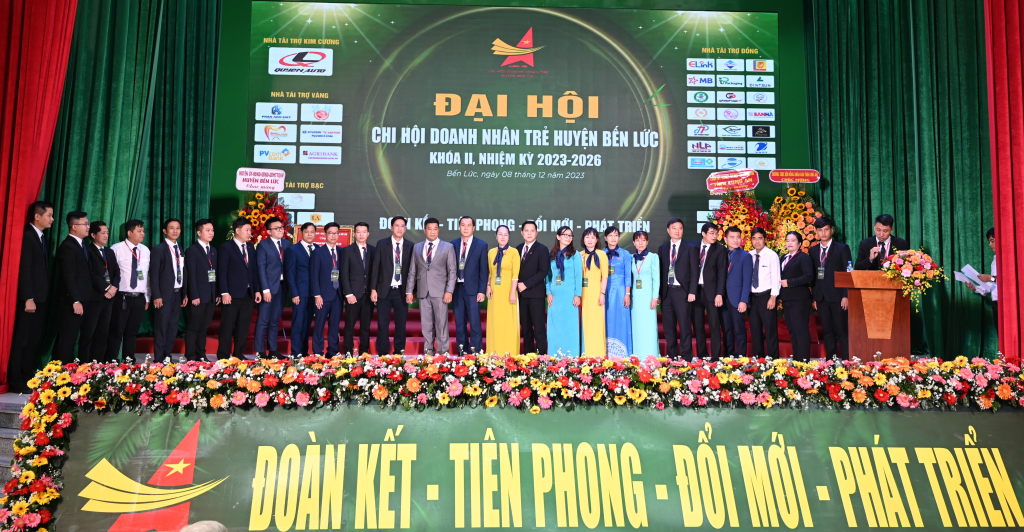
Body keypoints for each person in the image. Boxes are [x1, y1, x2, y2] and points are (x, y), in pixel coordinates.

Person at [10, 202, 54, 391]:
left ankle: (28, 377)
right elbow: (24, 269)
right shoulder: (28, 236)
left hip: (40, 298)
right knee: (22, 340)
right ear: (37, 216)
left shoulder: (41, 237)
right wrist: (28, 297)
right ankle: (15, 380)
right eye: (49, 215)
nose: (52, 219)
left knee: (33, 340)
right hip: (29, 299)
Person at [406, 218, 457, 355]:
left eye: (435, 229)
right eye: (429, 229)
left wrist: (449, 291)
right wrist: (409, 291)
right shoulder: (417, 247)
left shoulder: (447, 247)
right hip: (423, 291)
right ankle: (429, 352)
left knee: (442, 325)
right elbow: (412, 271)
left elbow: (452, 271)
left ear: (438, 230)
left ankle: (443, 354)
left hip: (440, 292)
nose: (432, 231)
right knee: (426, 325)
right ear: (425, 230)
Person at [107, 220, 151, 362]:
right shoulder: (116, 248)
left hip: (139, 297)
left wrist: (147, 297)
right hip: (121, 297)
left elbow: (147, 276)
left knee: (132, 332)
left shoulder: (145, 250)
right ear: (129, 232)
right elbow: (109, 273)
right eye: (139, 231)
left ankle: (129, 362)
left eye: (143, 231)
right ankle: (112, 362)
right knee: (116, 331)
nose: (143, 233)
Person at [217, 218, 261, 358]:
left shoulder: (251, 247)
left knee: (243, 326)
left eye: (250, 230)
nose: (249, 233)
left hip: (248, 294)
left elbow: (253, 271)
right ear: (237, 230)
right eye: (246, 230)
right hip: (231, 294)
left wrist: (257, 290)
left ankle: (238, 354)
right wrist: (224, 292)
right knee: (227, 326)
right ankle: (223, 355)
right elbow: (222, 271)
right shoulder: (226, 247)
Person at [52, 211, 93, 363]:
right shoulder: (68, 246)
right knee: (67, 338)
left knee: (81, 337)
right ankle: (60, 370)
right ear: (74, 226)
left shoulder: (82, 245)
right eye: (85, 224)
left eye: (88, 224)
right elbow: (68, 276)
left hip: (85, 299)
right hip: (73, 302)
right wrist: (75, 300)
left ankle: (78, 370)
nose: (88, 227)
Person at [371, 217, 415, 354]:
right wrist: (373, 289)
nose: (399, 228)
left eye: (402, 226)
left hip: (401, 291)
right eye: (397, 225)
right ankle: (383, 353)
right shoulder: (382, 244)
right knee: (382, 324)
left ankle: (398, 352)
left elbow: (413, 270)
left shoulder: (410, 245)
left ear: (405, 229)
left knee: (401, 324)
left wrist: (412, 291)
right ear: (391, 228)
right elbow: (376, 267)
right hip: (384, 290)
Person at [810, 217, 851, 359]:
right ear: (816, 232)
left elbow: (848, 272)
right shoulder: (813, 250)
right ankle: (830, 362)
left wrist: (846, 295)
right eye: (820, 230)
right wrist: (815, 298)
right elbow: (814, 275)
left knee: (842, 330)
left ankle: (847, 362)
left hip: (838, 297)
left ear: (832, 230)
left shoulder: (842, 248)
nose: (823, 233)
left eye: (826, 229)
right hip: (821, 298)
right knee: (827, 331)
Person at [658, 218, 698, 358]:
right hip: (667, 292)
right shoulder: (662, 248)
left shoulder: (691, 248)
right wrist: (659, 293)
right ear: (668, 230)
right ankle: (672, 357)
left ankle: (686, 358)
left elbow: (695, 272)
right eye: (674, 228)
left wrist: (692, 291)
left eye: (680, 228)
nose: (677, 231)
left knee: (685, 326)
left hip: (683, 292)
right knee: (669, 328)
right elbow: (661, 272)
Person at [150, 218, 188, 361]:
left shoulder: (180, 248)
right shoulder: (158, 249)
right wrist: (156, 295)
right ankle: (159, 358)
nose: (175, 231)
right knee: (161, 327)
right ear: (165, 231)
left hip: (177, 294)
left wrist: (184, 293)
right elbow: (153, 275)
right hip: (164, 295)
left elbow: (183, 272)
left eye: (178, 228)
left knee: (173, 327)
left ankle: (167, 355)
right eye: (171, 228)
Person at [80, 221, 119, 362]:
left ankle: (98, 366)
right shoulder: (87, 250)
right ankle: (84, 365)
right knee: (88, 334)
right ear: (93, 234)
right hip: (93, 299)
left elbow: (116, 273)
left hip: (108, 299)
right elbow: (89, 274)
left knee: (103, 334)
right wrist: (106, 287)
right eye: (102, 233)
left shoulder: (110, 252)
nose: (106, 235)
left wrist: (114, 287)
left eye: (107, 233)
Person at [450, 216, 488, 354]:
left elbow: (484, 270)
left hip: (473, 291)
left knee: (475, 325)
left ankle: (476, 354)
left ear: (474, 228)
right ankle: (462, 354)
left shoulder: (481, 245)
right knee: (460, 325)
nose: (465, 228)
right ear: (459, 227)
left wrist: (482, 290)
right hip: (457, 290)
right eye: (463, 225)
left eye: (468, 225)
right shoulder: (452, 244)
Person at [184, 219, 219, 361]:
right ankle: (190, 356)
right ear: (199, 233)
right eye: (208, 230)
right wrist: (194, 295)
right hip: (198, 296)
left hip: (210, 296)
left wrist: (216, 293)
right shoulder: (192, 251)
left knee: (204, 327)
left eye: (212, 230)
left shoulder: (213, 251)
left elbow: (215, 274)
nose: (211, 233)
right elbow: (190, 275)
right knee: (194, 327)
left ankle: (201, 355)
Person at [255, 217, 290, 358]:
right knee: (263, 320)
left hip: (282, 287)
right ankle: (260, 351)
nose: (280, 230)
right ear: (269, 231)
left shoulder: (287, 244)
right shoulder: (263, 246)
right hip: (269, 288)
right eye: (277, 228)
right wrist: (265, 289)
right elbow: (261, 268)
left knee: (275, 320)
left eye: (281, 227)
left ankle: (273, 350)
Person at [546, 226, 583, 355]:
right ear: (558, 237)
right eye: (565, 235)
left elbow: (578, 275)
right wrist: (548, 292)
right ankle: (554, 357)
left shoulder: (574, 254)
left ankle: (571, 357)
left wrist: (577, 294)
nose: (568, 237)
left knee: (570, 327)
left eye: (570, 235)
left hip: (570, 296)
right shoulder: (551, 255)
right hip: (555, 296)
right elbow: (548, 276)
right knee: (555, 327)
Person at [691, 223, 727, 358]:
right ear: (703, 234)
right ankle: (702, 356)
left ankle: (715, 357)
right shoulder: (693, 246)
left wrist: (719, 294)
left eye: (716, 233)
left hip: (712, 292)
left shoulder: (720, 249)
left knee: (714, 325)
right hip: (696, 291)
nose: (714, 236)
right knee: (698, 325)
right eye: (711, 233)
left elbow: (722, 273)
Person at [779, 231, 814, 361]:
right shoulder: (783, 257)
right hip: (787, 299)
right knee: (792, 331)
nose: (790, 243)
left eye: (793, 240)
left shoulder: (804, 257)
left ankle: (804, 362)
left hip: (800, 299)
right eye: (787, 240)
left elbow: (809, 276)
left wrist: (790, 282)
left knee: (801, 330)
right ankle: (797, 361)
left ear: (799, 243)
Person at [342, 222, 375, 354]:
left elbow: (376, 273)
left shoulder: (373, 250)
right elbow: (344, 274)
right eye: (359, 232)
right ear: (354, 234)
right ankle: (348, 351)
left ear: (368, 234)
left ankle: (364, 352)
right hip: (353, 295)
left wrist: (374, 290)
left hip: (368, 295)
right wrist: (348, 294)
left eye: (364, 232)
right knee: (349, 325)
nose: (361, 235)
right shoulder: (347, 250)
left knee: (366, 326)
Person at [516, 221, 549, 354]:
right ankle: (528, 357)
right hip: (522, 296)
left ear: (536, 233)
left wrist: (526, 284)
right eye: (526, 230)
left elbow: (543, 271)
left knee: (539, 328)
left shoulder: (542, 249)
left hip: (536, 295)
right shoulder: (518, 249)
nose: (529, 233)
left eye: (532, 231)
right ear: (522, 233)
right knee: (526, 329)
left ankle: (541, 358)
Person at [487, 225, 521, 355]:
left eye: (505, 234)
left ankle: (509, 355)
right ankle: (494, 354)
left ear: (509, 237)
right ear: (496, 236)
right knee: (495, 323)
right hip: (495, 293)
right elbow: (490, 273)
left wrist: (513, 292)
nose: (503, 237)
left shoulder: (514, 252)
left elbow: (515, 275)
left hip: (508, 292)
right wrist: (488, 286)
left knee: (508, 324)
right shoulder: (491, 252)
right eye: (500, 234)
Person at [311, 222, 344, 355]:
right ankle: (318, 352)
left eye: (336, 233)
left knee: (335, 325)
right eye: (330, 233)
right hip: (322, 295)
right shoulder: (318, 252)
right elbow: (314, 275)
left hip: (338, 294)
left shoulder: (342, 252)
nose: (333, 236)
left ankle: (333, 351)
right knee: (319, 324)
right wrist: (317, 295)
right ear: (325, 234)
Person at [748, 227, 781, 358]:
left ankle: (773, 361)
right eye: (754, 239)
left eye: (760, 238)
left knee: (770, 330)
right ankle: (758, 360)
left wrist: (773, 297)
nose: (757, 241)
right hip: (752, 298)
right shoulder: (749, 255)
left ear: (765, 239)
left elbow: (776, 277)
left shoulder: (772, 255)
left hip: (767, 296)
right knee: (755, 330)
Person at [285, 223, 317, 356]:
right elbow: (290, 273)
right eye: (306, 232)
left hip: (314, 294)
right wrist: (294, 293)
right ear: (301, 233)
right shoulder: (293, 250)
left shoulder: (318, 249)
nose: (309, 234)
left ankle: (304, 352)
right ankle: (296, 352)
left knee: (307, 324)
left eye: (312, 232)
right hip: (300, 293)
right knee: (298, 323)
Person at [721, 226, 753, 358]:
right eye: (732, 237)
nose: (735, 240)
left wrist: (743, 300)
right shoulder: (721, 254)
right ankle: (728, 356)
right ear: (725, 239)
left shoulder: (746, 256)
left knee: (739, 329)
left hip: (738, 299)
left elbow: (747, 280)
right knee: (726, 329)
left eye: (738, 237)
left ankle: (741, 357)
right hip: (723, 298)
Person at [603, 226, 633, 357]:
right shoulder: (601, 254)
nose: (613, 238)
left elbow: (628, 275)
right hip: (605, 292)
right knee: (606, 321)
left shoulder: (625, 254)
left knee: (622, 321)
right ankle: (606, 354)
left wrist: (627, 294)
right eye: (610, 235)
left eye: (616, 235)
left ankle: (623, 356)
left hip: (621, 292)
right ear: (605, 238)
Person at [579, 227, 609, 357]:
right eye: (587, 237)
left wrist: (602, 293)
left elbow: (605, 276)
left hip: (596, 294)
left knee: (596, 324)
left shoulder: (601, 255)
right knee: (585, 324)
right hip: (583, 295)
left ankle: (598, 355)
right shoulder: (579, 255)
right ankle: (585, 354)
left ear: (597, 240)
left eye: (593, 237)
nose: (590, 240)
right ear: (583, 239)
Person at [630, 231, 661, 356]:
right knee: (637, 326)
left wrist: (655, 297)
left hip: (648, 297)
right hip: (635, 298)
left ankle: (651, 356)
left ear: (647, 242)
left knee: (649, 327)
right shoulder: (631, 258)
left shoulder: (653, 257)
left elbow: (656, 279)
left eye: (643, 240)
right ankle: (637, 356)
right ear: (633, 242)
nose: (640, 243)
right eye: (637, 240)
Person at [966, 228, 998, 332]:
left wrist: (990, 278)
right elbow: (993, 286)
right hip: (997, 304)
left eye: (992, 241)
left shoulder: (1010, 258)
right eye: (989, 242)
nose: (990, 244)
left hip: (1008, 304)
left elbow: (1011, 280)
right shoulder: (994, 260)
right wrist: (975, 288)